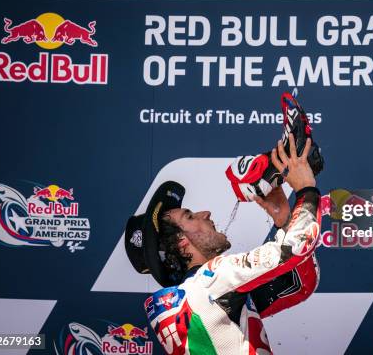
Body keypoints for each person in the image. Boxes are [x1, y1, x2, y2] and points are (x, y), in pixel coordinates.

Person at [125, 134, 321, 355]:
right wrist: (306, 189)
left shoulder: (202, 299)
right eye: (189, 216)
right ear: (181, 243)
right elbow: (296, 248)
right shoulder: (212, 280)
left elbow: (299, 285)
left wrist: (283, 217)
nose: (205, 213)